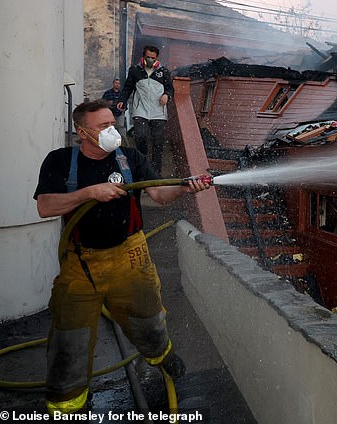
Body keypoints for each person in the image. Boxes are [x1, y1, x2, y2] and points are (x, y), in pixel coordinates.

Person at [33, 99, 209, 416]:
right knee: (69, 340)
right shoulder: (59, 161)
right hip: (82, 265)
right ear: (81, 131)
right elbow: (45, 207)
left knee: (149, 318)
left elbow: (159, 194)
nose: (112, 130)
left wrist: (185, 187)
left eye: (113, 123)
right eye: (103, 126)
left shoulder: (130, 158)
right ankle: (66, 406)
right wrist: (89, 193)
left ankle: (160, 354)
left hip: (132, 257)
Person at [117, 45, 173, 175]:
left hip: (159, 113)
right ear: (143, 56)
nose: (150, 60)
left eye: (153, 58)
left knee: (158, 142)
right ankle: (141, 169)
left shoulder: (164, 72)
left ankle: (155, 173)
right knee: (140, 137)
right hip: (140, 111)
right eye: (148, 57)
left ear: (157, 58)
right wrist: (121, 100)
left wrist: (167, 95)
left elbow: (170, 89)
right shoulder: (135, 71)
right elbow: (128, 88)